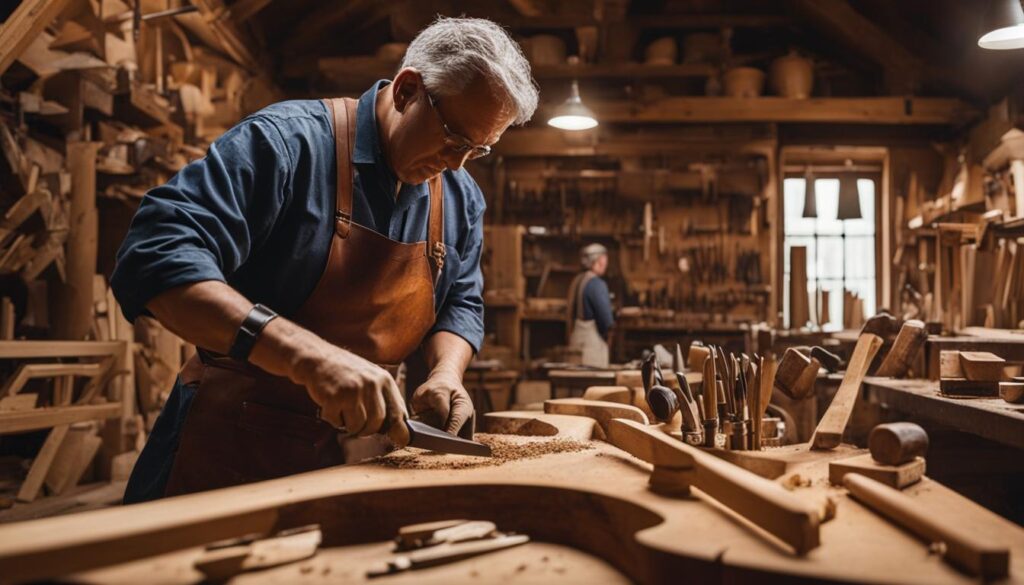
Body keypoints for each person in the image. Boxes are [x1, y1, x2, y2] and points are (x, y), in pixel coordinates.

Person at [111, 17, 538, 502]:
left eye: (478, 150)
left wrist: (445, 374)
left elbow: (461, 302)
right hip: (229, 450)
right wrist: (309, 358)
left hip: (355, 459)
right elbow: (154, 255)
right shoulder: (284, 145)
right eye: (454, 138)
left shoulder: (460, 198)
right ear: (406, 91)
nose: (458, 164)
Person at [566, 243, 615, 367]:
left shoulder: (577, 281)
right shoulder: (597, 284)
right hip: (592, 349)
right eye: (604, 260)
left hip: (575, 343)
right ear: (598, 261)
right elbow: (606, 321)